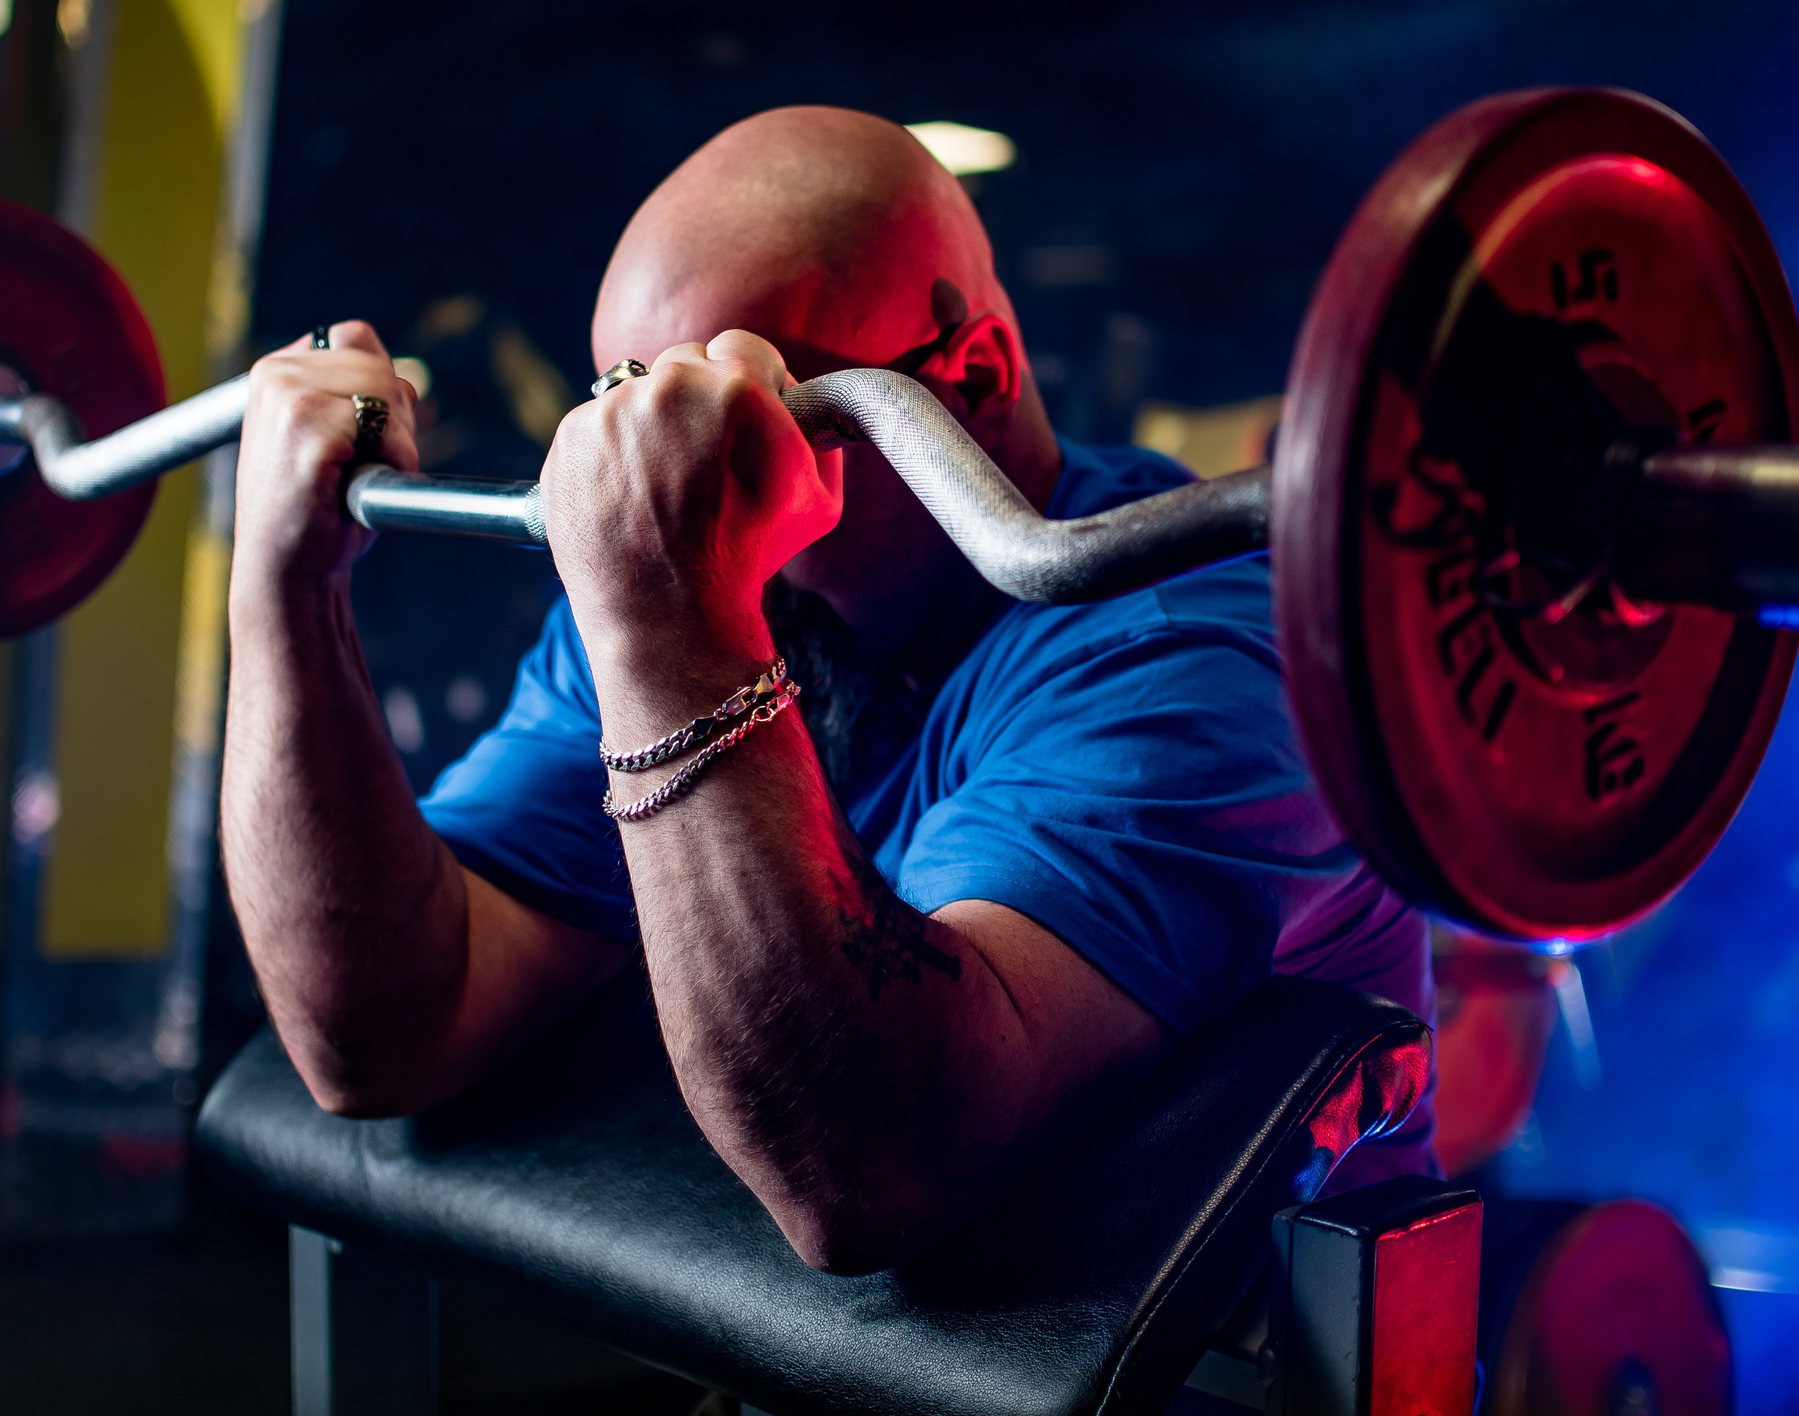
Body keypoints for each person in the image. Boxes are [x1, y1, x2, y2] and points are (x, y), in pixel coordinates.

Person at [220, 105, 1433, 1276]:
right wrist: (285, 587)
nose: (687, 498)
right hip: (829, 1395)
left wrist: (669, 634)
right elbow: (381, 1033)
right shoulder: (712, 599)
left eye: (741, 435)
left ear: (973, 377)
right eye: (646, 432)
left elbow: (868, 1172)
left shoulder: (1185, 657)